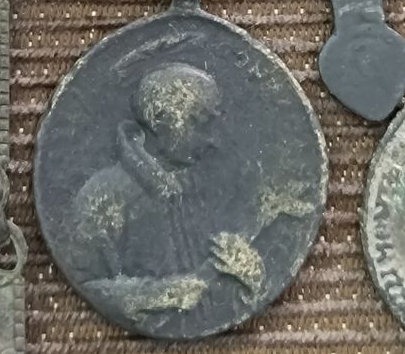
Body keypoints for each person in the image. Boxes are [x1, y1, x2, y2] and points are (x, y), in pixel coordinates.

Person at [66, 63, 265, 332]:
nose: (212, 140)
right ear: (159, 120)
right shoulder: (103, 196)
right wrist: (162, 294)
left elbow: (221, 300)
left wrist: (249, 276)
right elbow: (81, 286)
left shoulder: (206, 183)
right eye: (201, 124)